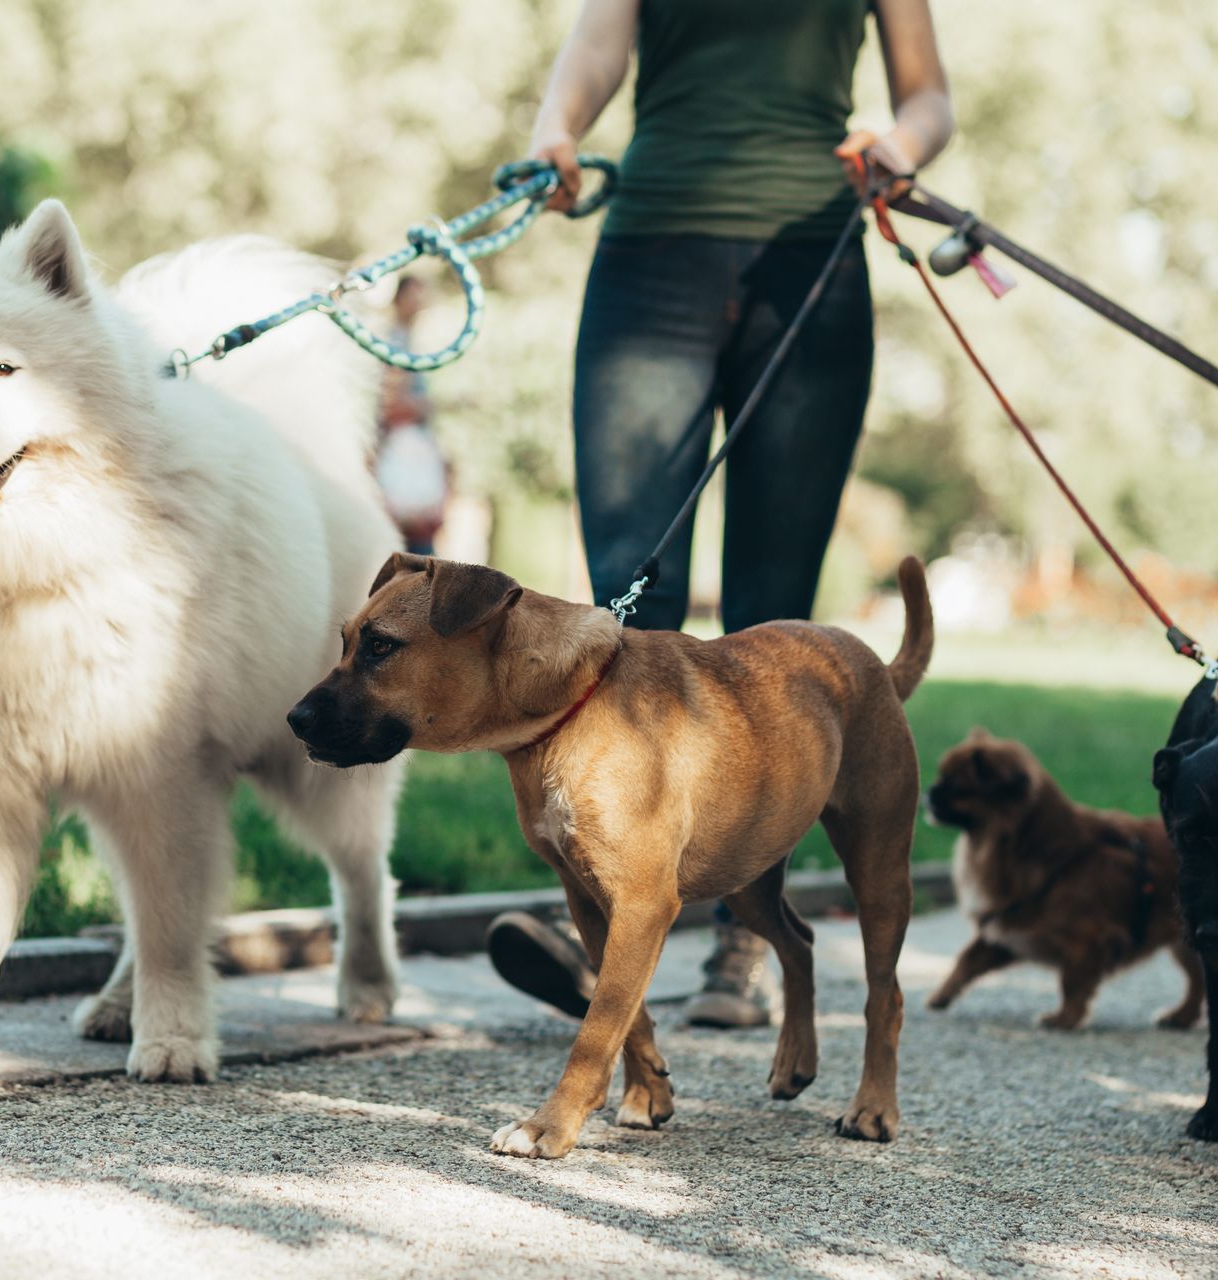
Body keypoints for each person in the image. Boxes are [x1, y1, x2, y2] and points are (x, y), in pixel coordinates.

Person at [485, 0, 954, 1028]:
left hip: (810, 256)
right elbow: (599, 42)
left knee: (769, 618)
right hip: (653, 252)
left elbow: (927, 94)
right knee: (619, 592)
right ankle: (600, 908)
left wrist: (898, 144)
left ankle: (747, 926)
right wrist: (553, 133)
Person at [373, 277, 450, 555]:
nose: (419, 304)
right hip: (399, 459)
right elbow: (390, 402)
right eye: (413, 296)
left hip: (409, 454)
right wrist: (422, 406)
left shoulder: (407, 340)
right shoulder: (394, 342)